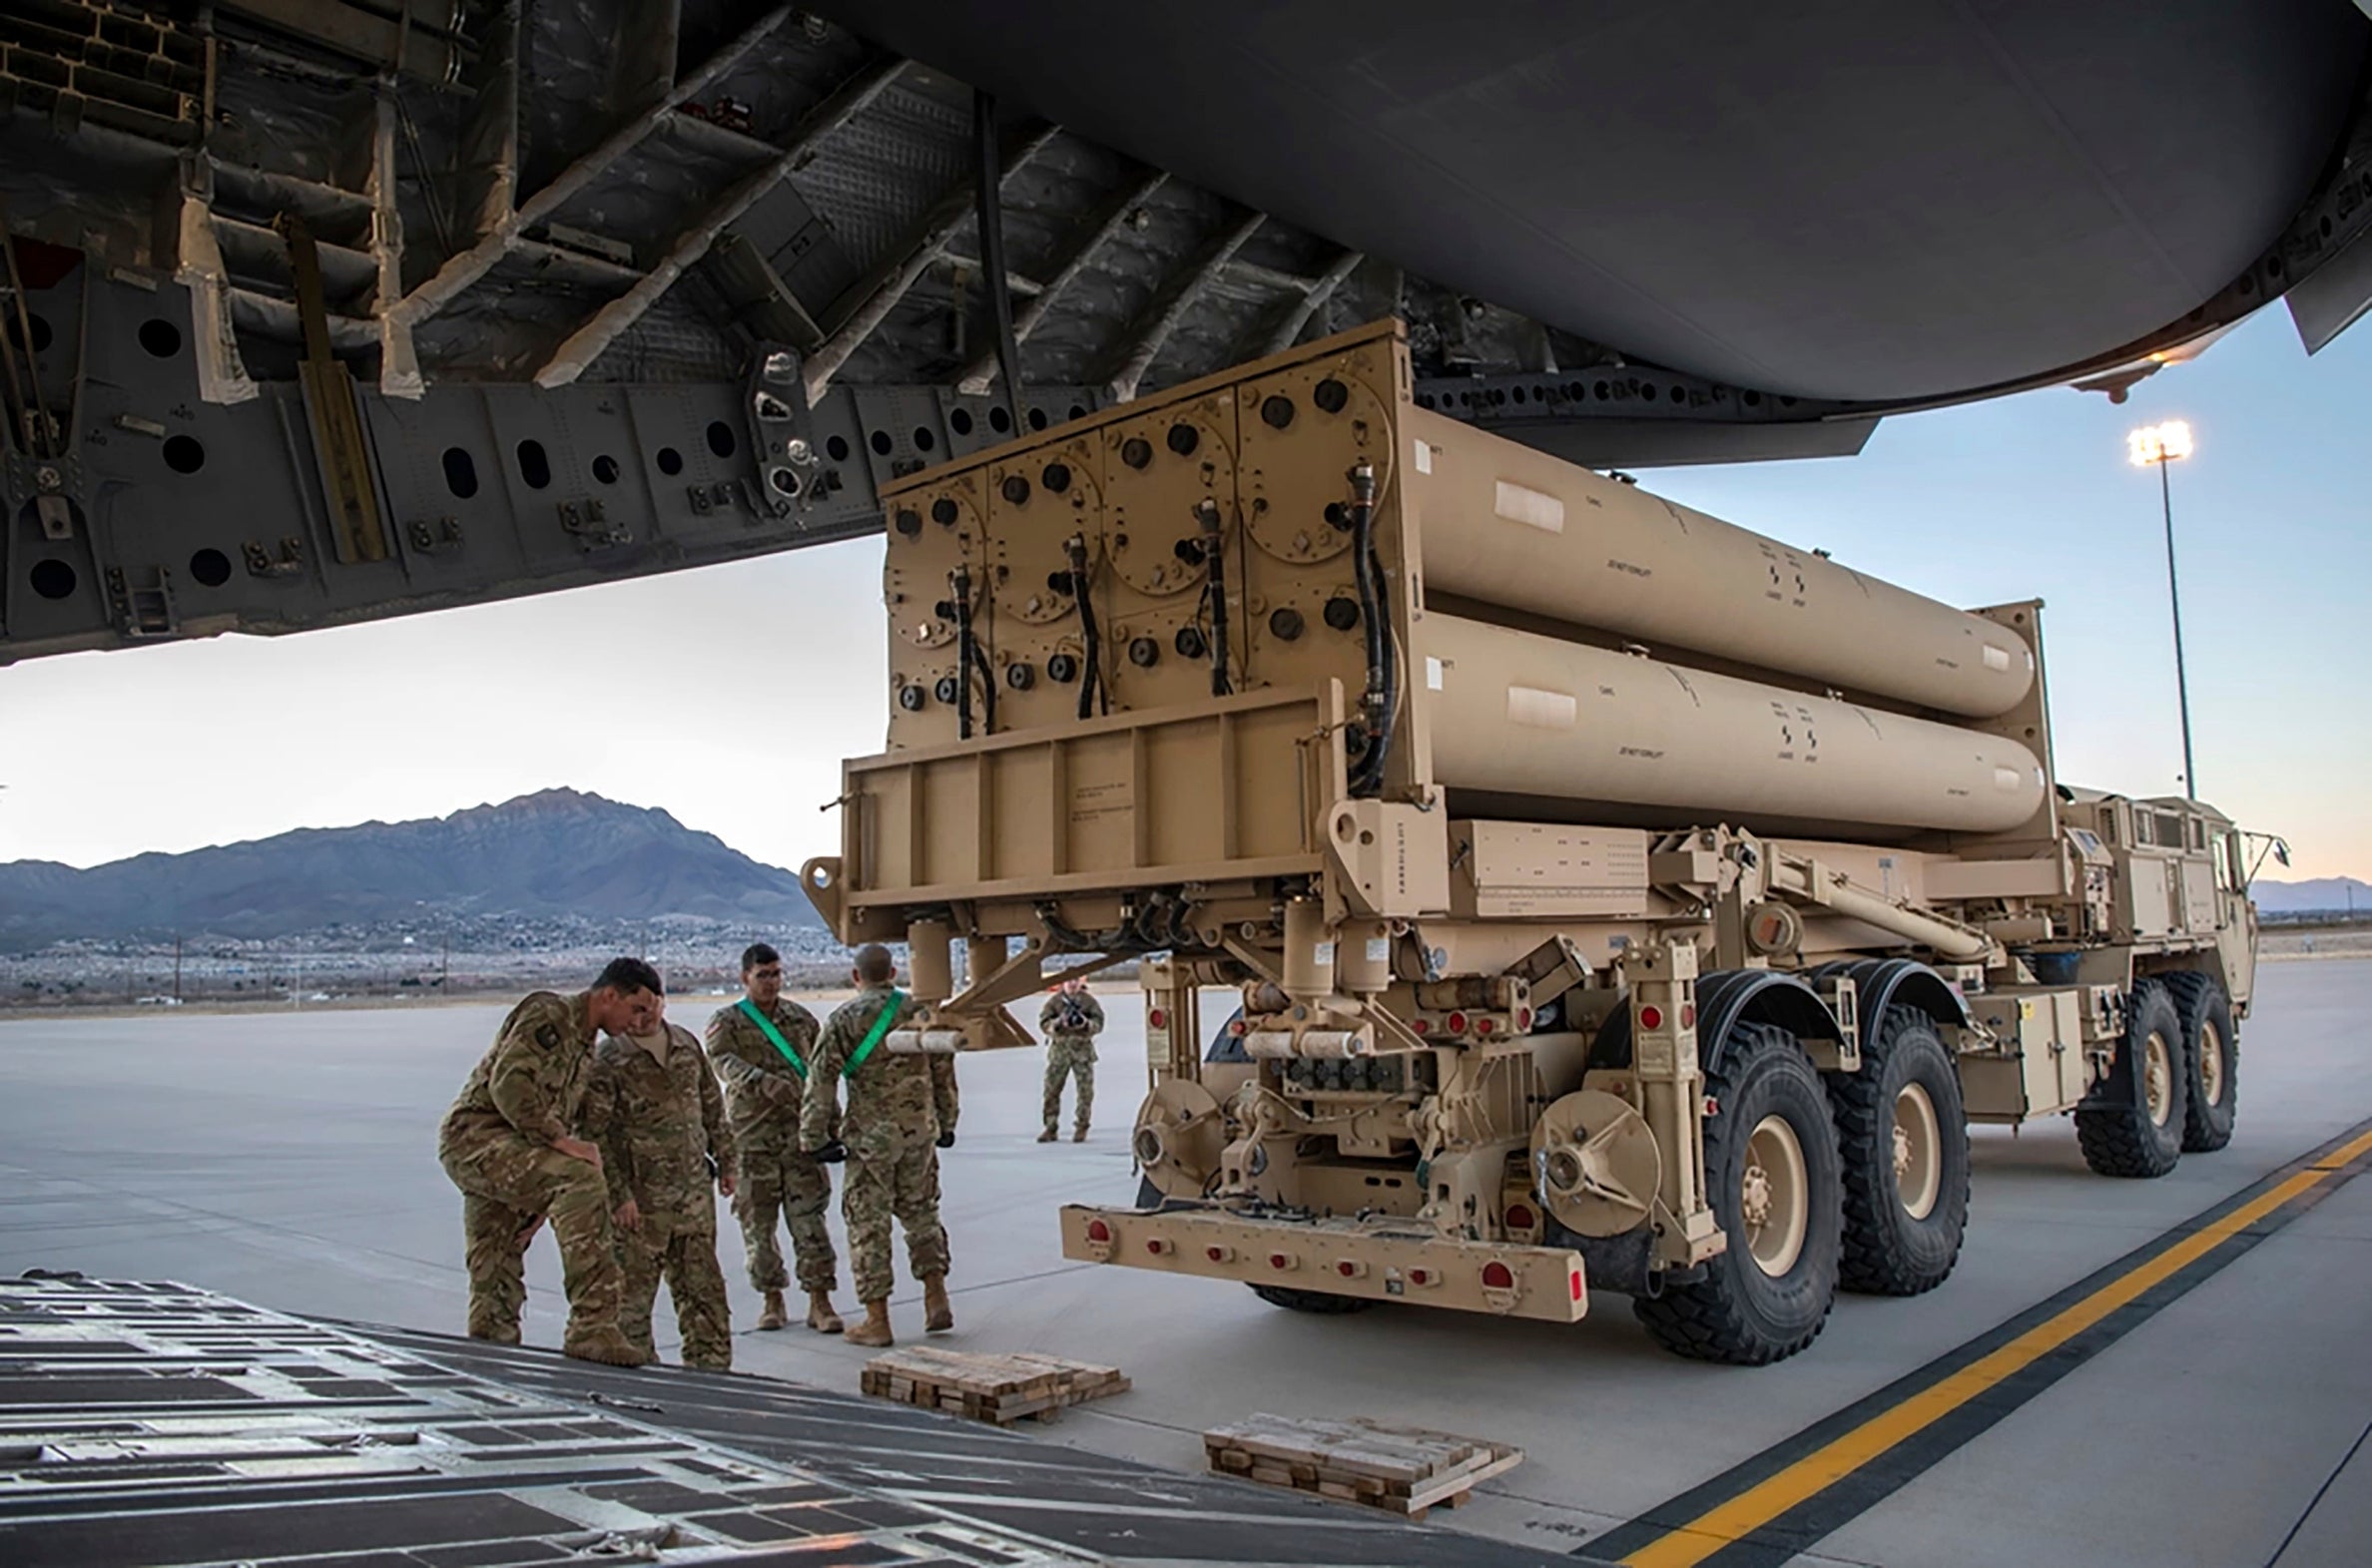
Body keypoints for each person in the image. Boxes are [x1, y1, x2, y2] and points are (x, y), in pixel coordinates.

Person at [437, 957, 660, 1364]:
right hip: (478, 1139)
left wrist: (541, 1199)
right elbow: (510, 1084)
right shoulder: (550, 1014)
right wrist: (559, 1142)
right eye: (637, 1008)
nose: (638, 1021)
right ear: (610, 995)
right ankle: (592, 1327)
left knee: (498, 1255)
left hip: (512, 1149)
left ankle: (492, 1353)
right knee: (581, 1178)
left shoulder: (583, 1043)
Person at [801, 943, 958, 1348]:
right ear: (893, 973)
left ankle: (877, 1319)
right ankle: (935, 1296)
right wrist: (947, 1122)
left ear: (857, 977)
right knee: (922, 1213)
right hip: (918, 1134)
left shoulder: (843, 1019)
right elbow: (943, 1067)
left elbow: (820, 1080)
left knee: (868, 1226)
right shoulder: (919, 1013)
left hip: (870, 1141)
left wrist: (815, 1136)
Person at [579, 993, 737, 1369]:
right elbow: (592, 1134)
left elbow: (712, 1106)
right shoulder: (609, 1059)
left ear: (662, 1003)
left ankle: (712, 1378)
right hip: (640, 1205)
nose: (644, 1016)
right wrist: (618, 1195)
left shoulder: (684, 1044)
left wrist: (728, 1160)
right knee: (631, 1305)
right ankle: (639, 1385)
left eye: (652, 1006)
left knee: (705, 1297)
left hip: (692, 1199)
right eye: (637, 1008)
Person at [704, 943, 844, 1333]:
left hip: (799, 1141)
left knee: (810, 1225)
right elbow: (721, 1062)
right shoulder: (727, 1022)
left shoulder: (800, 1020)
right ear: (745, 977)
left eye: (776, 974)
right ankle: (772, 1300)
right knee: (758, 1229)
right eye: (763, 975)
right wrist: (761, 1082)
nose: (771, 982)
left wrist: (832, 1126)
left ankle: (820, 1301)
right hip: (752, 1142)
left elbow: (821, 1076)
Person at [1037, 975, 1105, 1143]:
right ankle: (1050, 1127)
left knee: (1085, 1092)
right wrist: (1057, 1024)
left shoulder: (1089, 1002)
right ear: (1063, 983)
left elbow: (1099, 1022)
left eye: (1075, 980)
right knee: (1051, 1090)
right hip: (1060, 1051)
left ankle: (1082, 1126)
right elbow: (1043, 1023)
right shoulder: (1054, 1002)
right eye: (1069, 981)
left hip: (1082, 1051)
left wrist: (1086, 1024)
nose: (1073, 984)